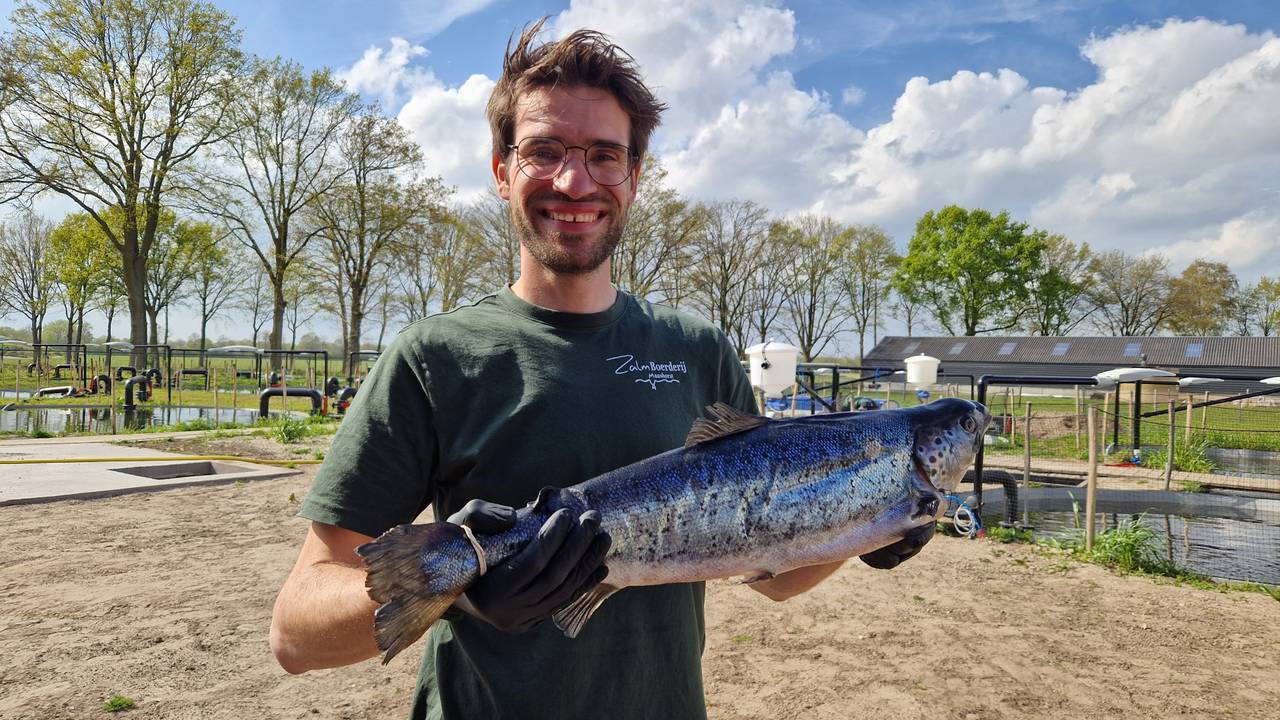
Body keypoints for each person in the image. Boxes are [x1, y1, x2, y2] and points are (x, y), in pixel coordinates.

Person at [269, 20, 931, 719]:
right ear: (502, 171)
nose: (574, 180)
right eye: (543, 150)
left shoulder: (699, 350)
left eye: (604, 155)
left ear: (634, 177)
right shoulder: (434, 360)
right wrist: (459, 590)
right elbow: (295, 633)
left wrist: (873, 529)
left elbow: (770, 575)